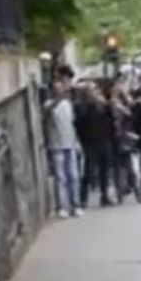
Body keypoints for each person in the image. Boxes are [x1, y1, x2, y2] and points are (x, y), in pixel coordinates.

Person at [44, 78, 83, 218]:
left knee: (73, 175)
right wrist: (58, 99)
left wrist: (76, 142)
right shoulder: (48, 104)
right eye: (56, 88)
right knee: (61, 178)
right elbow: (48, 111)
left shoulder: (68, 104)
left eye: (61, 88)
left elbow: (72, 124)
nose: (59, 91)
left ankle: (75, 205)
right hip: (56, 145)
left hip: (70, 144)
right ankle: (62, 206)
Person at [75, 83, 116, 207]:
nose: (94, 92)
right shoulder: (81, 105)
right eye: (91, 90)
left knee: (105, 170)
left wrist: (106, 105)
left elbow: (111, 118)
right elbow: (79, 123)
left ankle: (104, 196)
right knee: (88, 171)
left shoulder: (102, 105)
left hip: (104, 140)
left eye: (95, 90)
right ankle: (83, 199)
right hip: (90, 143)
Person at [111, 87, 141, 204]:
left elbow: (132, 118)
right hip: (117, 142)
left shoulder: (126, 110)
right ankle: (122, 195)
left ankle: (136, 193)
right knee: (121, 171)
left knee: (130, 170)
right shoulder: (112, 110)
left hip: (125, 142)